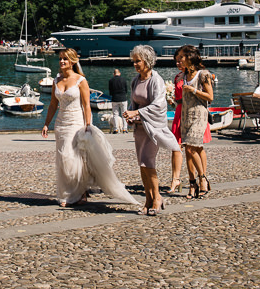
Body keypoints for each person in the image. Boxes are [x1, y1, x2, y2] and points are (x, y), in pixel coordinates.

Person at [41, 48, 139, 208]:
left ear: (72, 61)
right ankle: (70, 193)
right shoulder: (56, 80)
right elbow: (53, 104)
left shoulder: (80, 80)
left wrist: (88, 124)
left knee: (71, 157)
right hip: (61, 123)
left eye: (65, 59)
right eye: (60, 58)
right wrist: (46, 124)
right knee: (62, 159)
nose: (62, 62)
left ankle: (78, 193)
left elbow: (87, 106)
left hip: (76, 122)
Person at [122, 45, 181, 215]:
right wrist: (131, 116)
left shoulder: (156, 80)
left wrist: (137, 112)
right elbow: (134, 102)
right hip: (139, 128)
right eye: (133, 61)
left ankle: (157, 198)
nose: (135, 64)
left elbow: (158, 105)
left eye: (138, 61)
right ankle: (148, 199)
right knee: (142, 164)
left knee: (149, 162)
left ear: (147, 61)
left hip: (152, 128)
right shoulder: (135, 80)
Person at [176, 44, 214, 199]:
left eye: (181, 57)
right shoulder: (182, 76)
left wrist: (194, 90)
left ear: (189, 57)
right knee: (188, 150)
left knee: (192, 148)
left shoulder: (203, 74)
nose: (179, 61)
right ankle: (192, 183)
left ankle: (203, 178)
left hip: (199, 115)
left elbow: (210, 97)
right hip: (185, 115)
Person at [108, 69, 128, 134]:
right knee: (124, 114)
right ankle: (125, 129)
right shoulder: (124, 79)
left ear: (114, 74)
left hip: (115, 99)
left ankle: (116, 129)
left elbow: (110, 91)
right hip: (123, 98)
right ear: (120, 73)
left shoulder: (111, 80)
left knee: (115, 114)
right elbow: (126, 89)